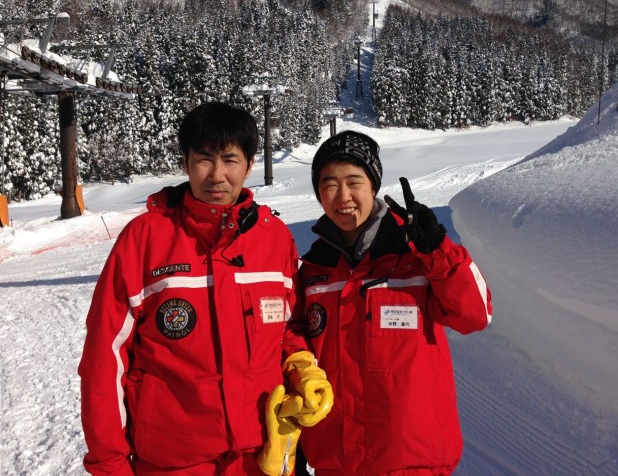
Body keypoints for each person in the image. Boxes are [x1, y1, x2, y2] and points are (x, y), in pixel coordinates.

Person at [78, 102, 331, 476]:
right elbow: (105, 357)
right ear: (185, 162)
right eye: (203, 159)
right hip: (172, 462)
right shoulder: (145, 239)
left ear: (248, 164)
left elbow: (288, 329)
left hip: (263, 458)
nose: (217, 175)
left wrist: (302, 370)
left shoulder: (274, 239)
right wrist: (110, 465)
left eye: (230, 159)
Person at [296, 130, 493, 475]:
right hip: (336, 463)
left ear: (373, 186)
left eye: (354, 181)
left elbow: (475, 315)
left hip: (411, 461)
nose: (343, 196)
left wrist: (437, 249)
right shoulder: (314, 270)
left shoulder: (414, 254)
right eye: (329, 184)